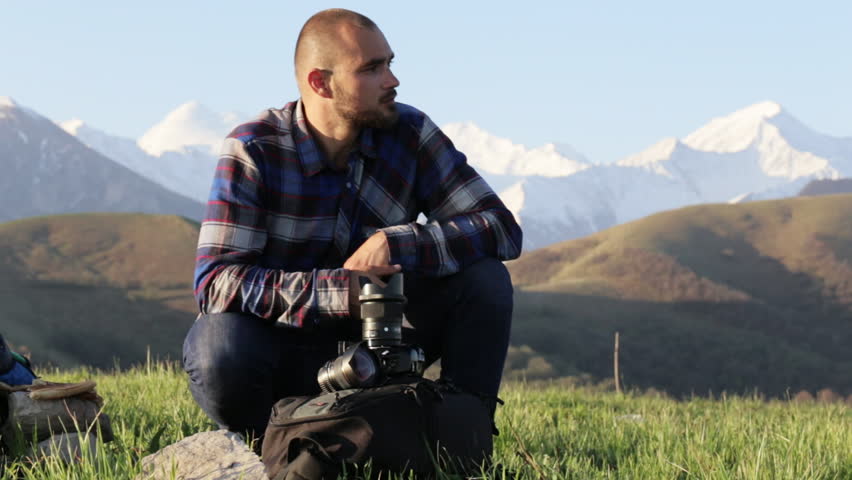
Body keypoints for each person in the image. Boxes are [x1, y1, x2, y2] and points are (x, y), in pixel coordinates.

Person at [182, 8, 522, 441]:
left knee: (485, 280)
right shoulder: (254, 149)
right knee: (219, 345)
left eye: (390, 63)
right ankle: (267, 448)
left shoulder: (411, 133)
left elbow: (500, 227)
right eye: (372, 68)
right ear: (320, 83)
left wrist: (397, 243)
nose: (392, 80)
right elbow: (217, 283)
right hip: (276, 351)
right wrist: (343, 291)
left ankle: (462, 441)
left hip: (377, 348)